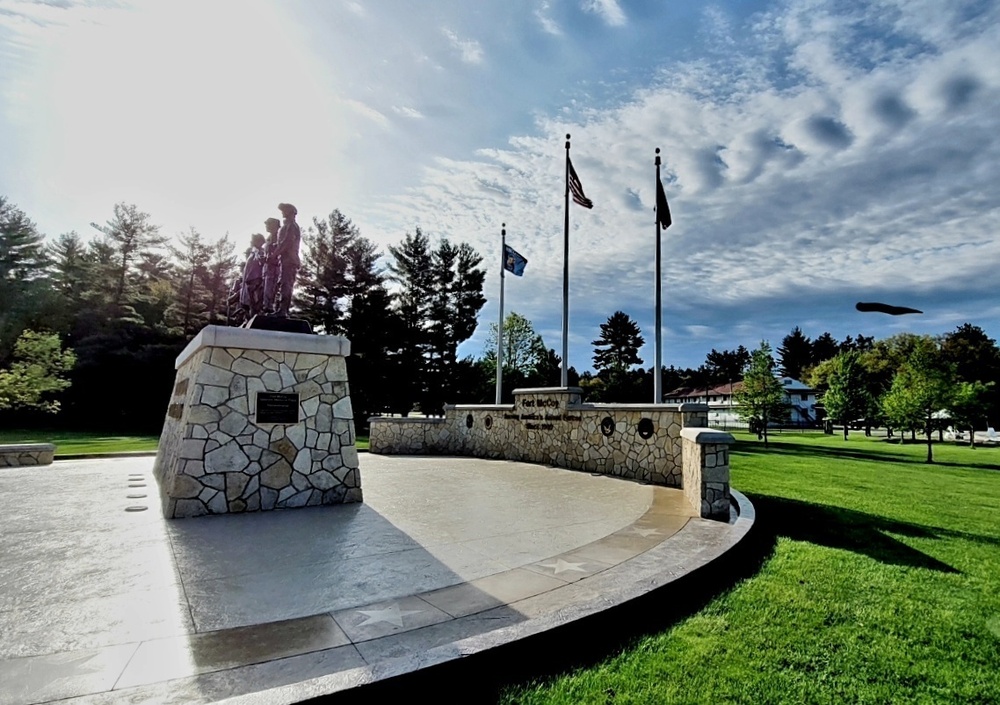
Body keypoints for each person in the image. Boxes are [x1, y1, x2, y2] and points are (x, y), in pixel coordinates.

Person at [274, 203, 301, 317]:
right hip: (285, 260)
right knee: (283, 284)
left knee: (286, 285)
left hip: (289, 260)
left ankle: (283, 310)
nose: (282, 212)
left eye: (284, 210)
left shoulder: (292, 226)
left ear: (290, 212)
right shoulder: (288, 225)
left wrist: (275, 254)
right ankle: (281, 309)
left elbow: (287, 242)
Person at [239, 233, 266, 318]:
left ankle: (255, 316)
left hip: (256, 279)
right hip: (249, 280)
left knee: (255, 302)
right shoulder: (253, 252)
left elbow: (261, 263)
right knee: (250, 303)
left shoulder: (261, 252)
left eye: (254, 240)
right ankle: (251, 316)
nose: (251, 241)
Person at [261, 217, 281, 313]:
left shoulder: (279, 237)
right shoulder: (269, 238)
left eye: (268, 224)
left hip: (275, 267)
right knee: (267, 289)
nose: (266, 226)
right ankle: (267, 306)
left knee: (273, 289)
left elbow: (280, 251)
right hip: (268, 268)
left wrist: (272, 258)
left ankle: (271, 307)